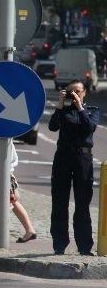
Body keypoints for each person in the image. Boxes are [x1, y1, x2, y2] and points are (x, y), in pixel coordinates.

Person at [48, 80, 99, 255]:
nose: (74, 94)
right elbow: (52, 126)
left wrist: (80, 108)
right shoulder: (63, 111)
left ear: (84, 92)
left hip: (83, 158)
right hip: (63, 156)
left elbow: (89, 127)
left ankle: (84, 246)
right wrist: (60, 105)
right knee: (59, 202)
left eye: (77, 91)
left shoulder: (92, 111)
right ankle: (59, 244)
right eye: (70, 92)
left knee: (83, 203)